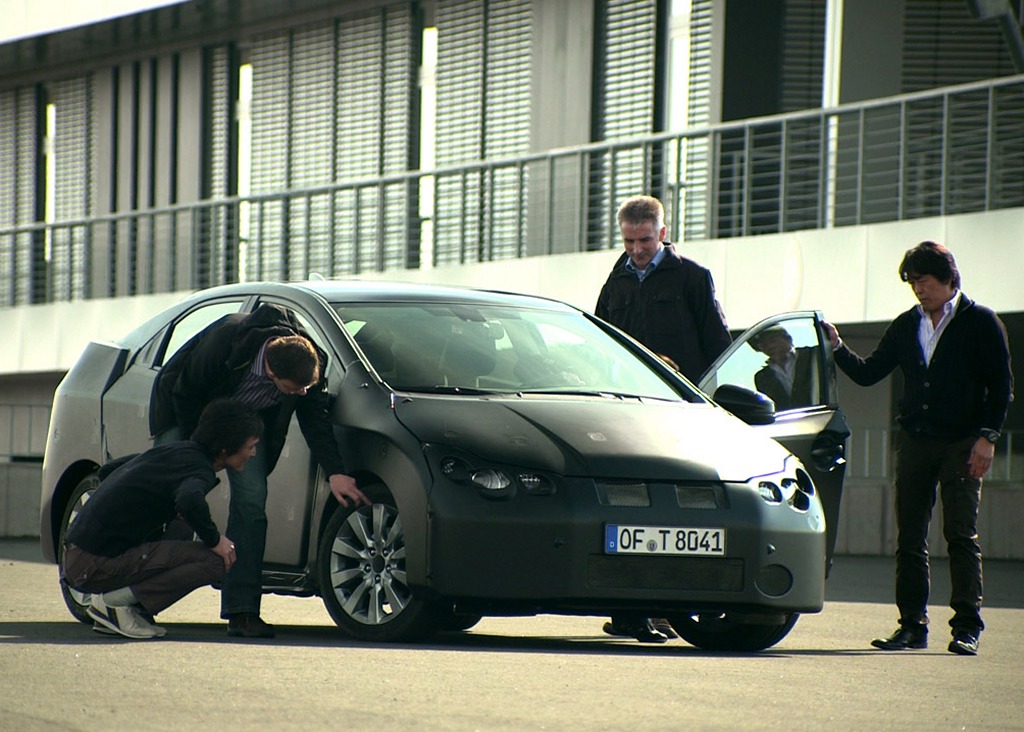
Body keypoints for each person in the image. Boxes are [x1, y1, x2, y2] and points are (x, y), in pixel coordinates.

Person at [823, 241, 1013, 656]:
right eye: (912, 284)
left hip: (963, 441)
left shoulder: (981, 321)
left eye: (923, 282)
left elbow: (1002, 386)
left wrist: (988, 438)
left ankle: (967, 627)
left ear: (947, 278)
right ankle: (912, 626)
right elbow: (870, 373)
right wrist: (837, 348)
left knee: (960, 534)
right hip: (915, 442)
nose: (918, 291)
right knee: (910, 537)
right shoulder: (906, 324)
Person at [149, 303, 371, 639]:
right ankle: (130, 592)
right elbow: (186, 392)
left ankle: (243, 611)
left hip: (248, 422)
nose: (301, 394)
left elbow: (316, 421)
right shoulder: (227, 341)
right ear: (270, 371)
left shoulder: (309, 364)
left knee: (252, 503)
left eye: (305, 388)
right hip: (189, 411)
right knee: (168, 496)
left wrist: (335, 472)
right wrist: (200, 453)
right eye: (294, 390)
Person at [595, 194, 733, 643]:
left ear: (664, 233)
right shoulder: (614, 282)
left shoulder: (693, 278)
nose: (636, 249)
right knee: (626, 514)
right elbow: (596, 346)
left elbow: (718, 347)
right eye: (629, 240)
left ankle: (666, 609)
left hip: (678, 418)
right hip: (625, 416)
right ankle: (631, 614)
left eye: (645, 240)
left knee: (673, 516)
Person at [62, 399, 264, 639]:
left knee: (182, 524)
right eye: (250, 446)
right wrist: (215, 540)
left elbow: (109, 471)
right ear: (225, 449)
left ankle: (119, 605)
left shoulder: (176, 451)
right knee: (216, 561)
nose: (253, 453)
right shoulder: (200, 470)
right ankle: (115, 603)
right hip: (91, 566)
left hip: (79, 555)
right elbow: (190, 500)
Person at [750, 327, 817, 410]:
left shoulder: (813, 355)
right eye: (762, 344)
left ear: (788, 339)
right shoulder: (762, 377)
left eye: (772, 340)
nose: (769, 346)